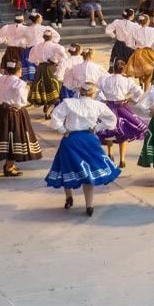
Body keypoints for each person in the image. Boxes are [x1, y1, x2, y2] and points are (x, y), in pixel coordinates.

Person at [46, 81, 121, 216]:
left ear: (80, 92)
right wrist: (97, 127)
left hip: (71, 139)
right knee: (88, 173)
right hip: (89, 140)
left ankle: (69, 198)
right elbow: (111, 120)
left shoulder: (69, 103)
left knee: (67, 168)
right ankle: (89, 206)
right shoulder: (98, 105)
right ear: (93, 93)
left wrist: (63, 130)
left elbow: (55, 116)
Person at [0, 60, 43, 177]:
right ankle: (9, 167)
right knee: (14, 138)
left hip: (1, 111)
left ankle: (9, 164)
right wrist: (19, 103)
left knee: (4, 137)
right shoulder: (19, 83)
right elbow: (22, 101)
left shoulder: (0, 79)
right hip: (14, 113)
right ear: (19, 70)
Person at [95, 62, 148, 167]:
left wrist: (102, 100)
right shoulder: (127, 81)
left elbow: (96, 90)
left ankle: (110, 154)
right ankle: (122, 160)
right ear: (124, 70)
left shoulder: (105, 79)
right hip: (122, 107)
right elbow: (139, 92)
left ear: (113, 68)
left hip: (109, 106)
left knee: (109, 130)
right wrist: (129, 98)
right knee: (124, 131)